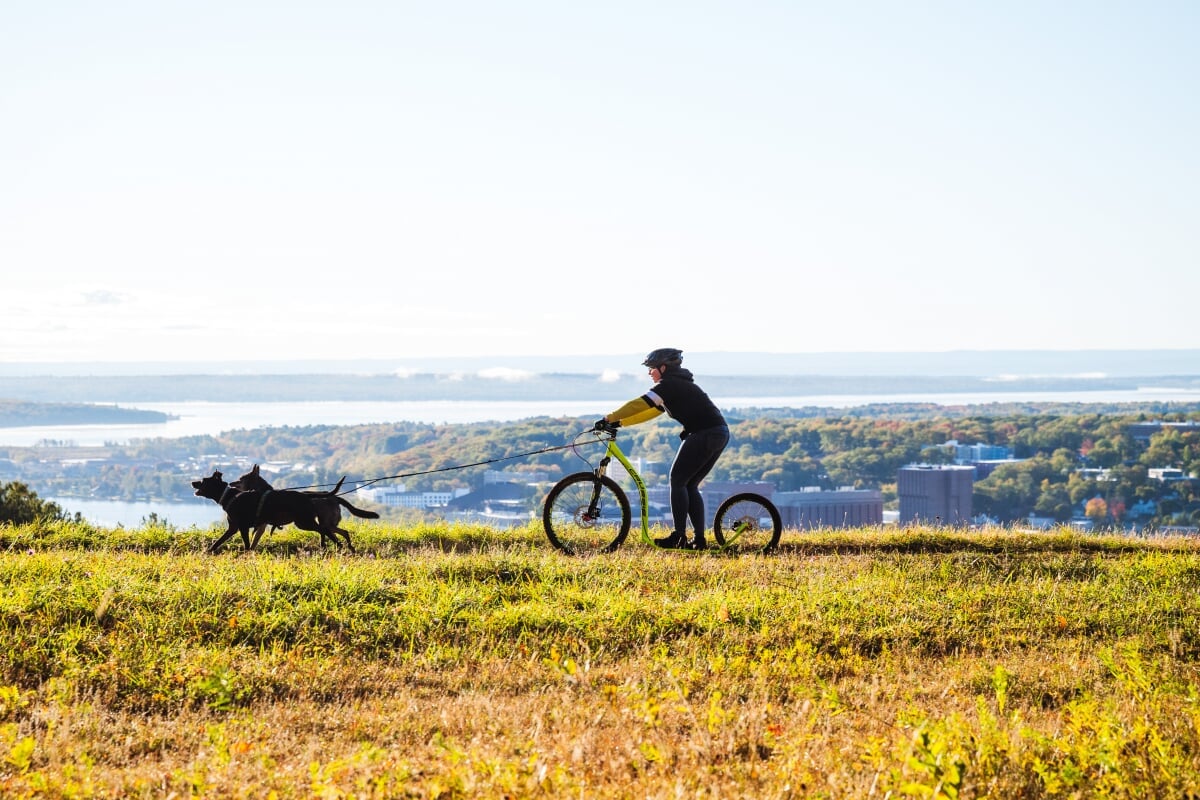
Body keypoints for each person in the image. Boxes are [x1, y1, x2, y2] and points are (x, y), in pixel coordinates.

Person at [597, 348, 729, 550]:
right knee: (689, 484)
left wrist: (609, 417)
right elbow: (649, 412)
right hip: (717, 433)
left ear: (663, 367)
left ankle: (679, 536)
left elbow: (639, 404)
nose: (649, 373)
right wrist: (621, 423)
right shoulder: (675, 385)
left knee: (677, 481)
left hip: (706, 434)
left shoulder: (669, 385)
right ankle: (699, 540)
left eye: (651, 368)